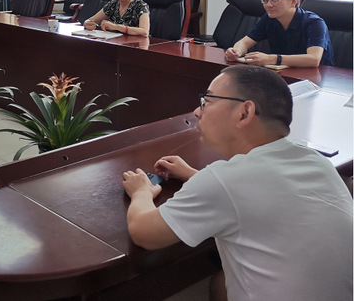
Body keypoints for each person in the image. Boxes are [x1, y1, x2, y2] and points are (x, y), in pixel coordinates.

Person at [121, 66, 352, 301]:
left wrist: (141, 191)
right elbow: (257, 191)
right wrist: (193, 175)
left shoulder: (224, 181)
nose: (197, 112)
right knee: (221, 284)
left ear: (244, 112)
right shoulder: (316, 162)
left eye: (207, 102)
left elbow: (144, 233)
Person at [225, 0, 333, 67]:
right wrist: (236, 52)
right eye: (265, 0)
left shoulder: (314, 23)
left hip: (319, 78)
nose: (269, 5)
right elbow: (244, 42)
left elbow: (314, 59)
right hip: (284, 73)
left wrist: (271, 59)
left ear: (293, 1)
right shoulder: (269, 19)